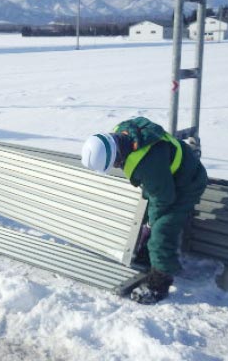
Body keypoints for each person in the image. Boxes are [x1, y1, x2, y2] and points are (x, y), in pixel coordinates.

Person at [81, 117, 208, 304]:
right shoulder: (124, 132)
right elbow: (156, 188)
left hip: (188, 182)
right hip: (169, 178)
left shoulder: (146, 163)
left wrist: (150, 225)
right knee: (154, 217)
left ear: (115, 155)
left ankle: (159, 283)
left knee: (162, 228)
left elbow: (164, 199)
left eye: (115, 164)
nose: (117, 167)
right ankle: (149, 255)